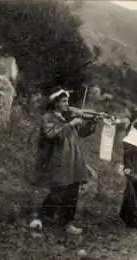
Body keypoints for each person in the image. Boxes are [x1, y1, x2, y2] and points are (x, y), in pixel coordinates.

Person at [34, 87, 99, 235]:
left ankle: (67, 223)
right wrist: (71, 124)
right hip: (59, 160)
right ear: (55, 102)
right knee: (58, 190)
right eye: (63, 100)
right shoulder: (48, 117)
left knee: (73, 192)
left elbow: (82, 133)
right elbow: (50, 134)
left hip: (73, 160)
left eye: (67, 100)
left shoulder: (67, 117)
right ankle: (42, 218)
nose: (66, 103)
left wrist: (92, 123)